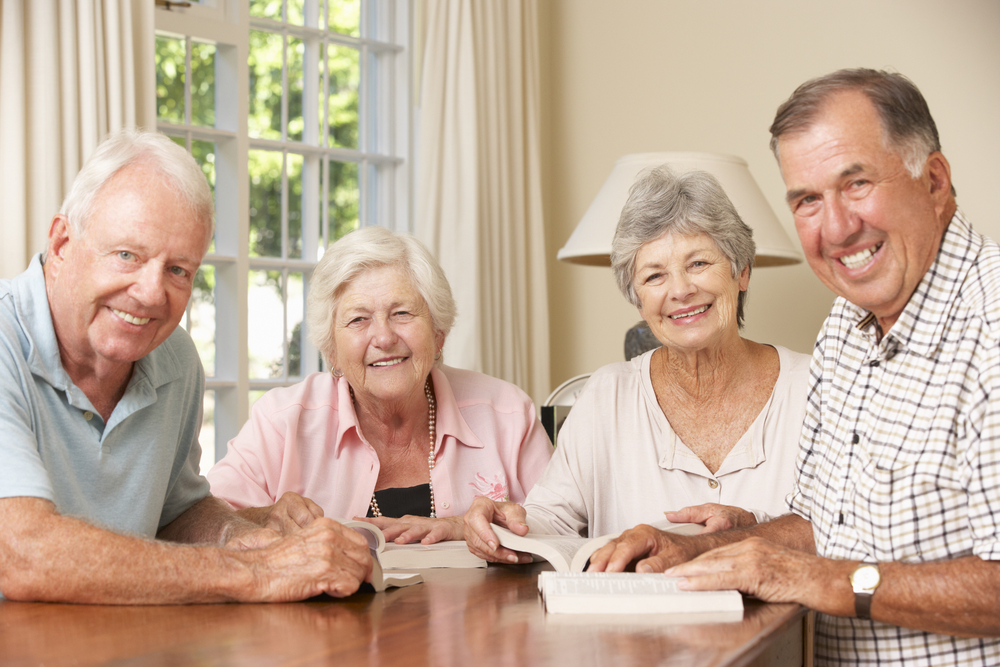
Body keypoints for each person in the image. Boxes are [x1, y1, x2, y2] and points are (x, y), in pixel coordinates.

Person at [589, 69, 1000, 666]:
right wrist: (692, 550)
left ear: (934, 181)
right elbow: (820, 525)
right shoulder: (846, 324)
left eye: (855, 183)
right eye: (808, 200)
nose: (835, 228)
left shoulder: (991, 322)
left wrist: (821, 580)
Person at [0, 129, 374, 603]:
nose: (152, 293)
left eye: (178, 270)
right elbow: (20, 552)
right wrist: (254, 569)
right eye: (126, 256)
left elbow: (176, 514)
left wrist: (249, 534)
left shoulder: (174, 357)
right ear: (61, 245)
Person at [464, 166, 811, 563]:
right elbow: (551, 519)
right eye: (655, 276)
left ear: (742, 271)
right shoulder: (608, 394)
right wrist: (506, 525)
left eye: (698, 263)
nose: (680, 290)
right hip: (633, 626)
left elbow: (851, 529)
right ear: (637, 299)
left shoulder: (814, 387)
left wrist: (750, 529)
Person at [207, 226, 553, 544]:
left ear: (438, 334)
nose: (384, 337)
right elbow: (204, 525)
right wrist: (264, 517)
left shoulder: (507, 414)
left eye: (402, 313)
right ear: (332, 350)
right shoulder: (281, 422)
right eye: (358, 319)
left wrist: (465, 528)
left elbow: (564, 530)